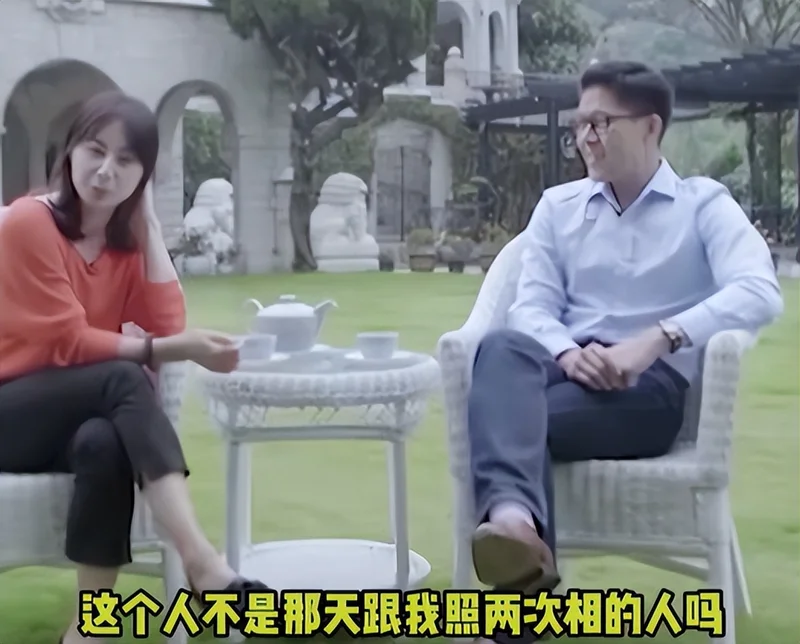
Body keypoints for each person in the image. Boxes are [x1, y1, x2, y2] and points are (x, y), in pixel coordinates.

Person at [467, 61, 783, 637]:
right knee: (502, 347)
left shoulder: (703, 205)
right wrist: (567, 353)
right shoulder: (558, 207)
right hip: (561, 371)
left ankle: (516, 573)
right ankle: (516, 528)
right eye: (579, 124)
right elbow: (530, 308)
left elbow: (760, 291)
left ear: (651, 127)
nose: (586, 137)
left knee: (504, 421)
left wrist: (657, 338)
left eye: (601, 123)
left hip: (645, 390)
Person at [0, 90, 267, 644]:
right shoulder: (28, 221)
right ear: (70, 152)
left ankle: (88, 628)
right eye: (94, 150)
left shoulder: (123, 248)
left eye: (126, 161)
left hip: (65, 419)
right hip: (9, 411)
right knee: (125, 376)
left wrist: (148, 226)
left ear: (144, 175)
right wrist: (168, 350)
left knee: (104, 442)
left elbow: (167, 322)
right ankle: (202, 562)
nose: (105, 171)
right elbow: (67, 341)